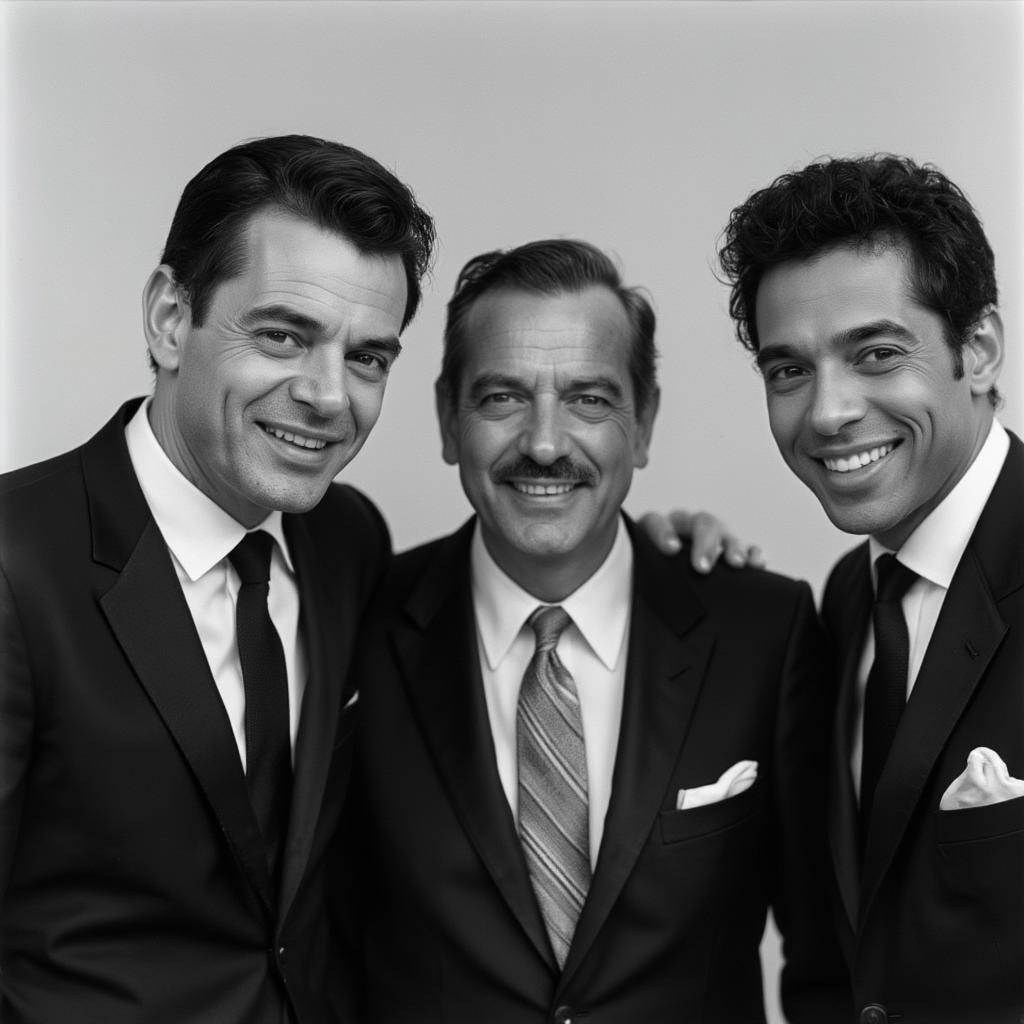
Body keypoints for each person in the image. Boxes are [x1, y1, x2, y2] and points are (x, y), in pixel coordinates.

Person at [347, 239, 850, 1023]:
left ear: (643, 423)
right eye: (502, 397)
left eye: (589, 399)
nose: (545, 443)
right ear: (449, 419)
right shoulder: (355, 628)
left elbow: (830, 963)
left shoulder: (764, 633)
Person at [0, 134, 435, 1024]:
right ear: (169, 318)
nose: (327, 394)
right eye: (283, 334)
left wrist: (637, 557)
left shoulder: (345, 541)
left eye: (368, 358)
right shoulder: (14, 565)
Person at [714, 155, 1022, 1023]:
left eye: (877, 354)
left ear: (981, 348)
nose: (827, 412)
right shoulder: (849, 599)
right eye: (789, 371)